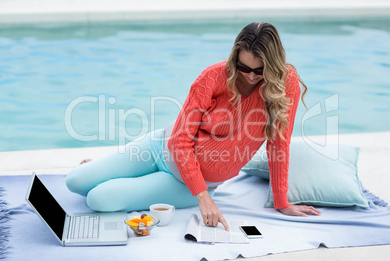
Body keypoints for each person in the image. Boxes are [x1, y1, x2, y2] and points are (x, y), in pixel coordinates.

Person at [66, 22, 321, 232]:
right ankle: (105, 169)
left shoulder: (286, 84)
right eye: (244, 67)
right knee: (75, 181)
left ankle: (119, 177)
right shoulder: (213, 77)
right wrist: (204, 200)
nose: (251, 76)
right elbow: (179, 140)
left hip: (185, 185)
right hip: (159, 146)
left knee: (98, 199)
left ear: (273, 64)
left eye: (260, 70)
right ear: (235, 58)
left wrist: (281, 202)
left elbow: (279, 143)